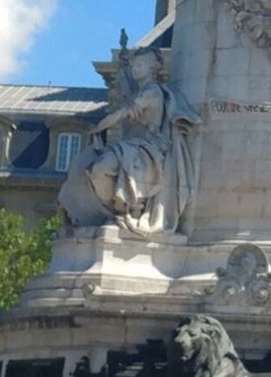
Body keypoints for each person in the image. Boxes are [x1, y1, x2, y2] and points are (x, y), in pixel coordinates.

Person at [57, 47, 200, 236]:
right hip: (130, 146)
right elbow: (125, 85)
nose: (135, 69)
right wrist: (124, 64)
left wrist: (96, 128)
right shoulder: (138, 90)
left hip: (147, 149)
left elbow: (118, 115)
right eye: (134, 65)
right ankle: (110, 211)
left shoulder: (151, 92)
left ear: (152, 68)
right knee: (81, 165)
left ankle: (126, 209)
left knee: (101, 168)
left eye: (140, 65)